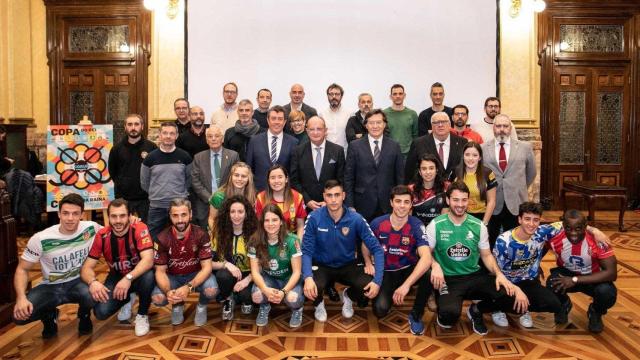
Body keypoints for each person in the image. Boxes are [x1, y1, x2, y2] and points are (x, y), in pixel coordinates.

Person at [426, 181, 518, 335]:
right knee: (449, 318)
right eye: (455, 200)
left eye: (464, 200)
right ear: (448, 201)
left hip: (473, 276)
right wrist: (434, 265)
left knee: (511, 297)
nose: (460, 205)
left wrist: (499, 274)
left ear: (468, 201)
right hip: (449, 279)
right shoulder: (435, 225)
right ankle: (443, 301)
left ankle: (476, 310)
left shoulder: (478, 226)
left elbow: (487, 255)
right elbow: (424, 253)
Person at [13, 194, 100, 338]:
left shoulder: (91, 228)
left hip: (78, 282)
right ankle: (49, 316)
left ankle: (84, 315)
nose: (70, 218)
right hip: (50, 286)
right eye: (65, 213)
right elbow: (22, 269)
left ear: (82, 215)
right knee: (20, 317)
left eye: (75, 213)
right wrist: (21, 298)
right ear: (59, 214)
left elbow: (113, 231)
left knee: (94, 294)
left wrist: (132, 221)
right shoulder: (40, 238)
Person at [302, 180, 385, 322]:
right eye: (329, 195)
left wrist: (377, 281)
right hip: (322, 265)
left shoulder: (356, 219)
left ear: (343, 196)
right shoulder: (314, 217)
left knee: (367, 284)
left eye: (337, 195)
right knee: (311, 284)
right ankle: (319, 302)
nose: (333, 200)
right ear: (324, 196)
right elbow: (306, 251)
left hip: (348, 264)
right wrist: (308, 277)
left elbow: (377, 249)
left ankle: (348, 296)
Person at [81, 199, 155, 336]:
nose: (118, 220)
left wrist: (128, 278)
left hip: (138, 275)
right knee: (101, 313)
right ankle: (127, 298)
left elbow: (149, 260)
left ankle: (142, 314)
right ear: (108, 217)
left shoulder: (139, 227)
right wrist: (93, 282)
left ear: (129, 216)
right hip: (116, 276)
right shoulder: (102, 235)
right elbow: (86, 268)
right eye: (114, 216)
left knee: (149, 276)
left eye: (122, 216)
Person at [365, 185, 433, 335]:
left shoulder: (416, 225)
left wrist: (407, 285)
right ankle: (389, 295)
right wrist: (368, 262)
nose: (402, 206)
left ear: (411, 205)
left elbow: (427, 257)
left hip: (407, 269)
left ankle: (416, 315)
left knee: (429, 273)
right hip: (386, 271)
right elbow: (365, 244)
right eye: (398, 201)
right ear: (391, 202)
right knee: (380, 310)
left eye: (406, 202)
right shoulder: (377, 223)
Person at [546, 210, 617, 333]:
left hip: (592, 277)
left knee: (607, 292)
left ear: (585, 227)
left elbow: (611, 273)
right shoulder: (555, 236)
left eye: (578, 229)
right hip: (567, 272)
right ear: (563, 227)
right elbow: (539, 247)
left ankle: (595, 312)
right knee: (552, 282)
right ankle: (564, 305)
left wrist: (575, 280)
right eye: (569, 229)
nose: (573, 233)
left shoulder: (599, 240)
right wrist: (535, 267)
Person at [151, 199, 217, 327]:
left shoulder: (201, 234)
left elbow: (207, 268)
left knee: (211, 289)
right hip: (173, 277)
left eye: (184, 214)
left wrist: (189, 287)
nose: (180, 220)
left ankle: (202, 306)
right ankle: (177, 305)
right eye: (175, 215)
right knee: (157, 298)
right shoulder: (161, 238)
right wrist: (167, 291)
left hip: (195, 275)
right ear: (170, 216)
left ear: (191, 214)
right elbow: (160, 271)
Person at [481, 114, 536, 245]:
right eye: (498, 126)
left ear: (510, 128)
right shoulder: (482, 148)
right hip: (492, 203)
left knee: (515, 241)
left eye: (505, 126)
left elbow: (531, 173)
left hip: (516, 202)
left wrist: (518, 187)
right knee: (490, 240)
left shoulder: (525, 147)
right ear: (493, 128)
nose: (502, 129)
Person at [248, 204, 304, 327]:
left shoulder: (292, 240)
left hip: (289, 278)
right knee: (256, 296)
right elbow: (255, 272)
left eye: (274, 220)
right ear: (262, 223)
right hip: (269, 278)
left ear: (281, 222)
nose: (270, 224)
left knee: (293, 299)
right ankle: (264, 306)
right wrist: (264, 289)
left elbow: (297, 272)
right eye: (267, 220)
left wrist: (284, 292)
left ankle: (297, 310)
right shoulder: (254, 241)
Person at [345, 109, 404, 221]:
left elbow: (400, 177)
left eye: (379, 122)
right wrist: (350, 205)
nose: (375, 126)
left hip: (388, 204)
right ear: (366, 125)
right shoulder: (354, 146)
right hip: (362, 204)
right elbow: (348, 178)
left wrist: (399, 201)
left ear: (385, 124)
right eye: (371, 123)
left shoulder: (394, 146)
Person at [141, 122, 192, 240]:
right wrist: (157, 194)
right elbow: (144, 183)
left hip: (180, 207)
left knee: (182, 238)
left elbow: (189, 180)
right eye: (165, 133)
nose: (168, 136)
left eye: (171, 133)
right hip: (157, 206)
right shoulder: (150, 158)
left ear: (177, 136)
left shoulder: (185, 157)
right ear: (160, 135)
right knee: (153, 239)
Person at [212, 195, 258, 321]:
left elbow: (262, 265)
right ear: (227, 213)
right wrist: (226, 264)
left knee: (247, 295)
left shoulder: (255, 234)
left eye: (240, 211)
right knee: (222, 275)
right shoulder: (220, 233)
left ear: (247, 213)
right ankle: (229, 299)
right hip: (230, 273)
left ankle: (243, 298)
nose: (236, 215)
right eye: (232, 211)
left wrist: (247, 280)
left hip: (251, 274)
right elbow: (208, 263)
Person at [108, 113, 157, 223]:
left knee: (146, 230)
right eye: (130, 124)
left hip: (146, 199)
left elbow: (155, 172)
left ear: (142, 126)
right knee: (125, 229)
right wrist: (123, 183)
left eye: (136, 124)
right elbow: (113, 172)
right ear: (125, 127)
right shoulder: (117, 149)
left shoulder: (151, 147)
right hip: (123, 199)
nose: (133, 127)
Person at [290, 116, 346, 212]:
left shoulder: (338, 151)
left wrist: (328, 200)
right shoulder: (298, 151)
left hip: (332, 206)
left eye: (319, 129)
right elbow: (294, 180)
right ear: (307, 131)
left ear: (325, 130)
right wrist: (307, 200)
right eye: (312, 129)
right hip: (306, 207)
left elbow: (341, 179)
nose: (315, 133)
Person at [191, 126, 239, 230]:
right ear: (206, 140)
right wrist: (210, 198)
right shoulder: (198, 157)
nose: (213, 139)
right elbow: (195, 181)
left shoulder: (233, 156)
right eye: (210, 136)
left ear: (222, 139)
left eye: (217, 136)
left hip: (227, 201)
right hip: (204, 202)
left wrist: (222, 196)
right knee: (204, 233)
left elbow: (236, 179)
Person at [246, 105, 299, 191]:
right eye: (273, 118)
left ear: (285, 122)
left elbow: (294, 173)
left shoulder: (294, 142)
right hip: (259, 192)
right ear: (268, 120)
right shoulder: (254, 140)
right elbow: (249, 169)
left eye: (280, 119)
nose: (277, 122)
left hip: (284, 193)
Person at [405, 112, 468, 182]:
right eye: (436, 122)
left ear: (450, 124)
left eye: (444, 122)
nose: (440, 125)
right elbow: (409, 172)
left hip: (456, 189)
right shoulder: (418, 143)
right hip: (428, 189)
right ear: (431, 126)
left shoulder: (462, 142)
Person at [255, 165, 307, 240]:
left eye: (280, 177)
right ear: (268, 180)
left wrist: (297, 246)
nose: (276, 181)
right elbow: (258, 226)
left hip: (291, 241)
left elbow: (300, 226)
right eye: (273, 178)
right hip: (267, 240)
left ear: (286, 179)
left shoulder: (297, 197)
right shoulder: (260, 198)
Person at [454, 142, 497, 226]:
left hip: (481, 218)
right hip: (458, 217)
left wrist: (484, 223)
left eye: (475, 155)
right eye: (467, 155)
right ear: (463, 156)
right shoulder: (455, 172)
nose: (470, 158)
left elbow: (491, 201)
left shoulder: (488, 173)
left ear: (480, 157)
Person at [208, 162, 256, 231]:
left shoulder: (254, 197)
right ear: (231, 176)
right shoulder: (218, 197)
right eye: (236, 175)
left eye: (243, 176)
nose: (239, 179)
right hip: (223, 234)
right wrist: (218, 236)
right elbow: (211, 219)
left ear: (249, 179)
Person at [408, 154, 449, 226]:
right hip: (417, 228)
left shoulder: (446, 187)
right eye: (424, 169)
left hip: (438, 228)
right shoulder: (411, 189)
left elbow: (444, 221)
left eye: (431, 168)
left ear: (436, 170)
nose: (428, 172)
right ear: (420, 172)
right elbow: (409, 218)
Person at [383, 84, 418, 157]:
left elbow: (416, 136)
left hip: (408, 155)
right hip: (389, 154)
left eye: (400, 94)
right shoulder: (383, 114)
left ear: (404, 95)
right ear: (390, 96)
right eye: (395, 94)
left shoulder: (412, 114)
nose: (398, 96)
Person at [318, 83, 350, 149]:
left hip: (344, 153)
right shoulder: (322, 114)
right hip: (327, 153)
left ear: (341, 96)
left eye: (337, 94)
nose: (334, 97)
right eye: (331, 94)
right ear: (327, 96)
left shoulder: (349, 114)